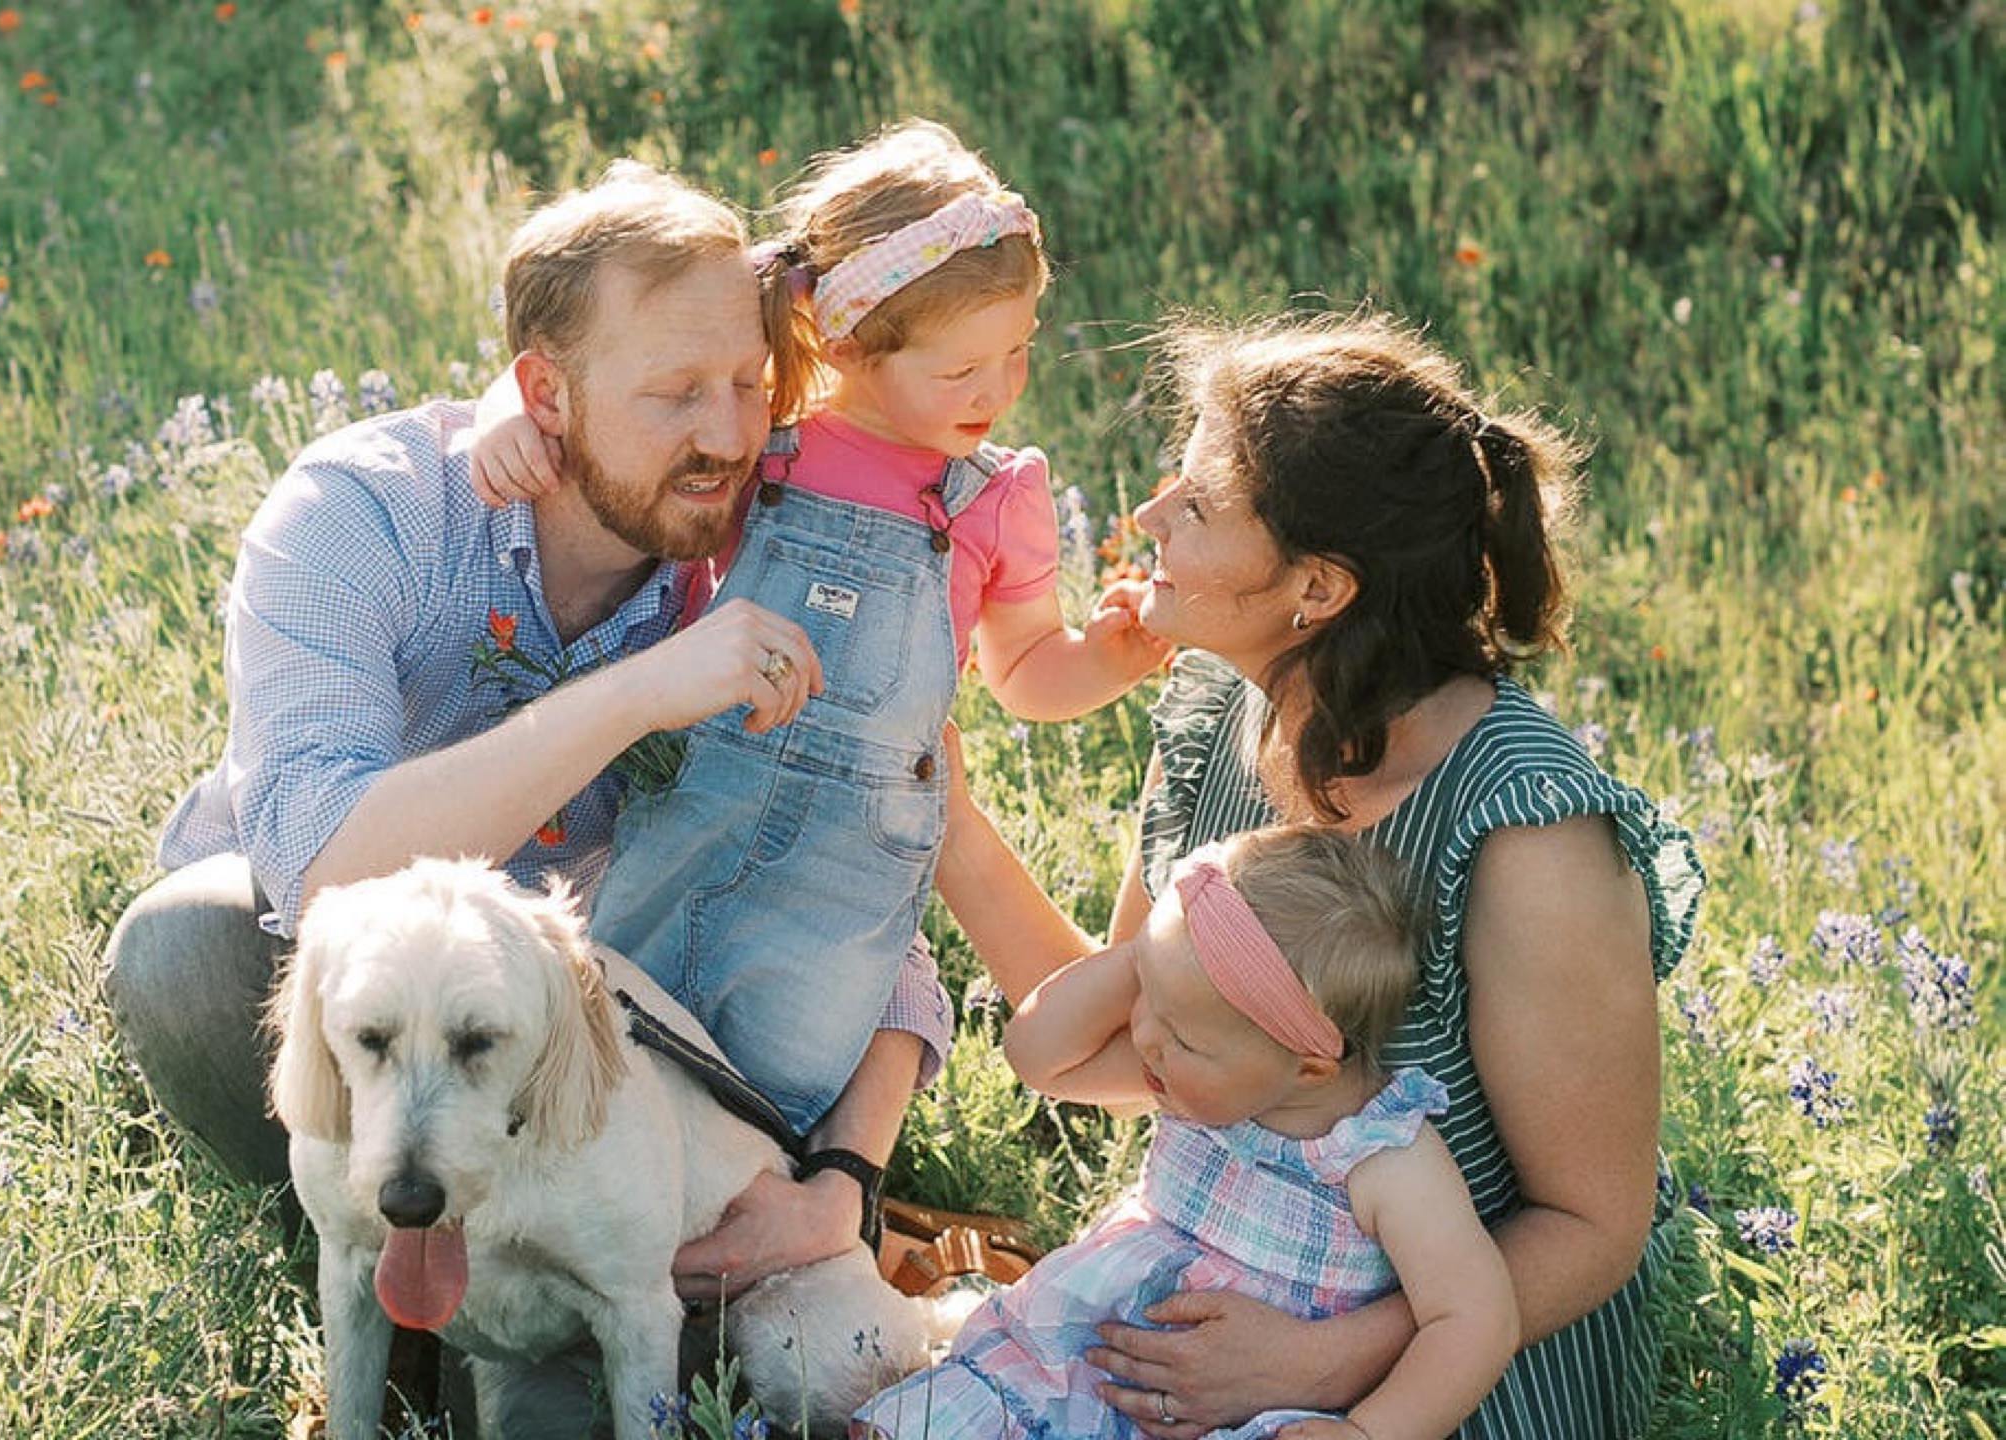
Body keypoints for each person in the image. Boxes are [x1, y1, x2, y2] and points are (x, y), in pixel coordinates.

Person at [102, 162, 957, 1337]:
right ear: (543, 393)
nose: (725, 434)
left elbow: (864, 899)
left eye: (748, 386)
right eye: (673, 395)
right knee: (181, 950)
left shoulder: (765, 555)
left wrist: (840, 1187)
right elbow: (327, 878)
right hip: (350, 1002)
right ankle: (395, 1283)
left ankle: (565, 1300)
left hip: (582, 1038)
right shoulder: (358, 515)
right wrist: (636, 694)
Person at [933, 313, 1704, 1438]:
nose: (1146, 515)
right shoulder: (1216, 715)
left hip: (1445, 1375)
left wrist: (1322, 1364)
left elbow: (1593, 1225)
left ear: (1317, 589)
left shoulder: (1524, 837)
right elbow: (1142, 1042)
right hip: (1226, 1310)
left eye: (1194, 505)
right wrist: (942, 821)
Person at [468, 119, 1169, 1134]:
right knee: (606, 1036)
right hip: (695, 801)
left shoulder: (992, 496)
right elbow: (612, 354)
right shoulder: (763, 441)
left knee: (772, 1093)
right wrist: (506, 411)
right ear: (843, 340)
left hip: (852, 862)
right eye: (958, 370)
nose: (997, 391)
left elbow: (1021, 674)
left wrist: (1108, 657)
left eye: (1015, 354)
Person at [856, 827, 1519, 1440]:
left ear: (1309, 1068)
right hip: (1067, 1370)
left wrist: (1369, 1433)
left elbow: (1474, 1319)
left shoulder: (1383, 1160)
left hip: (1223, 1414)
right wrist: (1152, 961)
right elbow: (1037, 1055)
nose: (1145, 1037)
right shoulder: (1198, 1080)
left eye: (1181, 1036)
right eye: (1147, 1000)